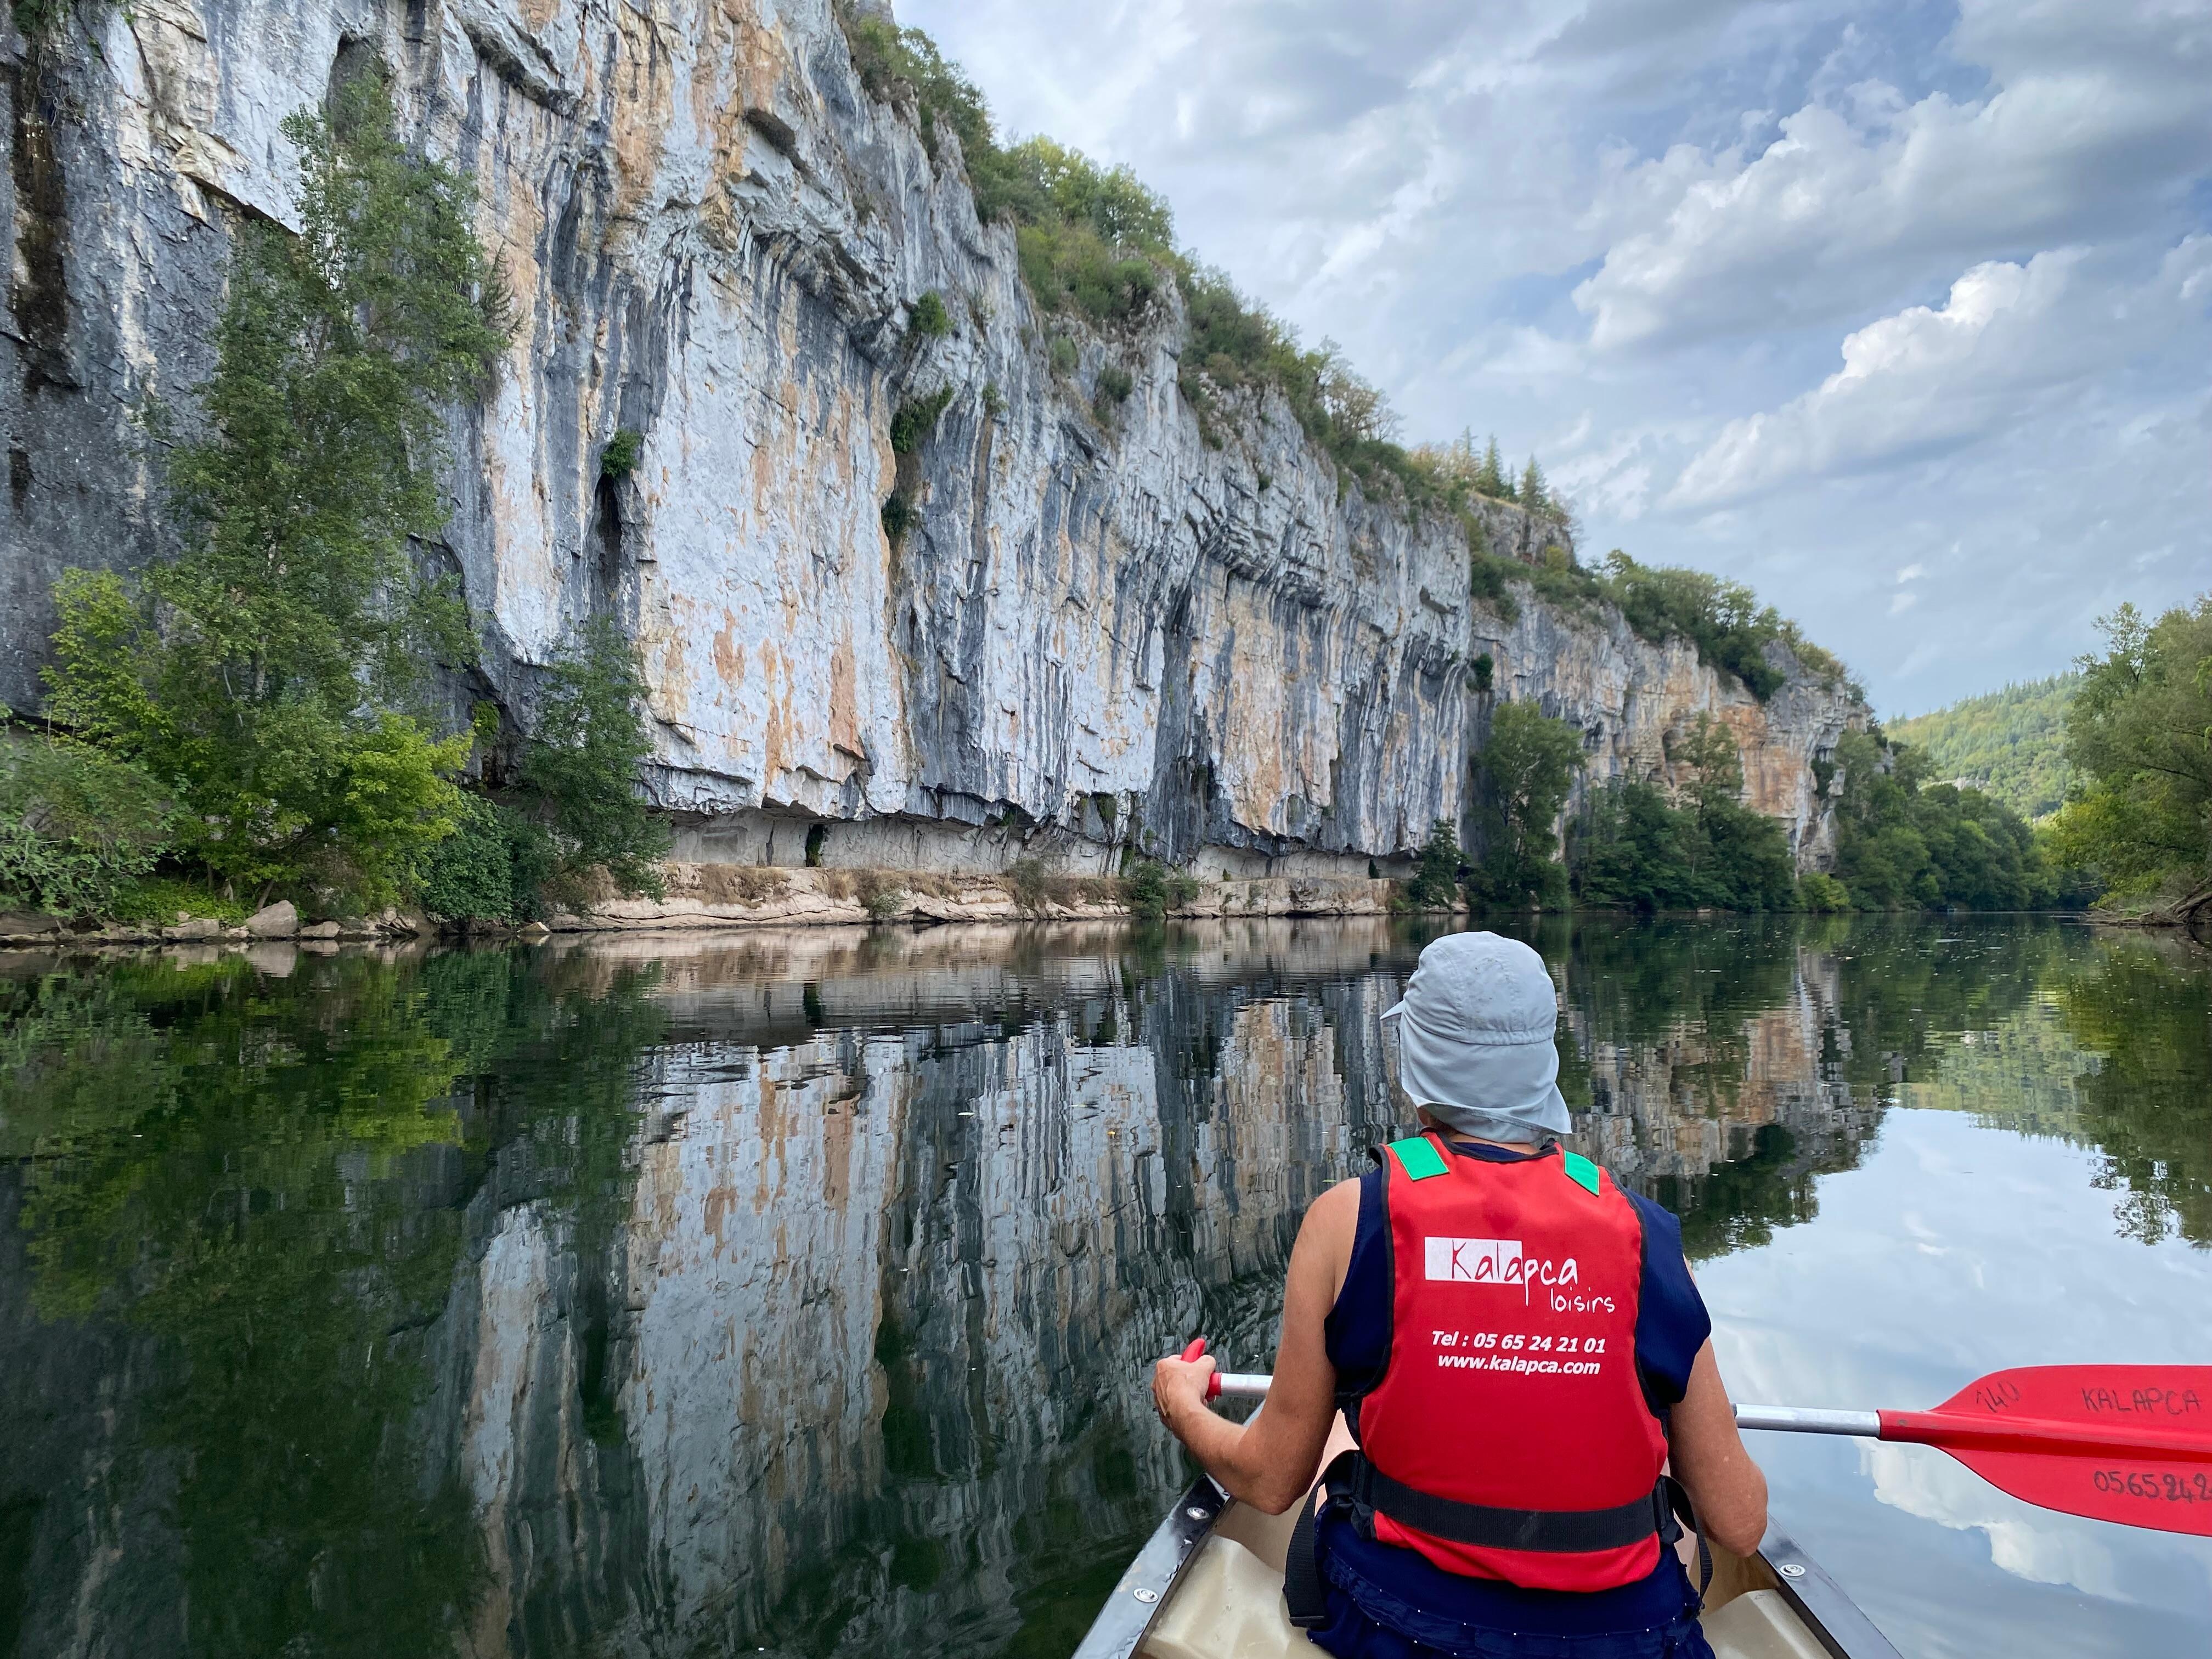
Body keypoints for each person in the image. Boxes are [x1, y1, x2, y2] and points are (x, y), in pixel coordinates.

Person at [1154, 930, 1767, 1659]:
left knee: (1342, 1448)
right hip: (1627, 1639)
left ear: (1418, 1066)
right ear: (1544, 1065)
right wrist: (1704, 1429)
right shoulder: (1648, 1237)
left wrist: (1182, 1403)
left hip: (1402, 1630)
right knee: (1674, 1487)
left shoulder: (1348, 1219)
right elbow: (1740, 1525)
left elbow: (1270, 1477)